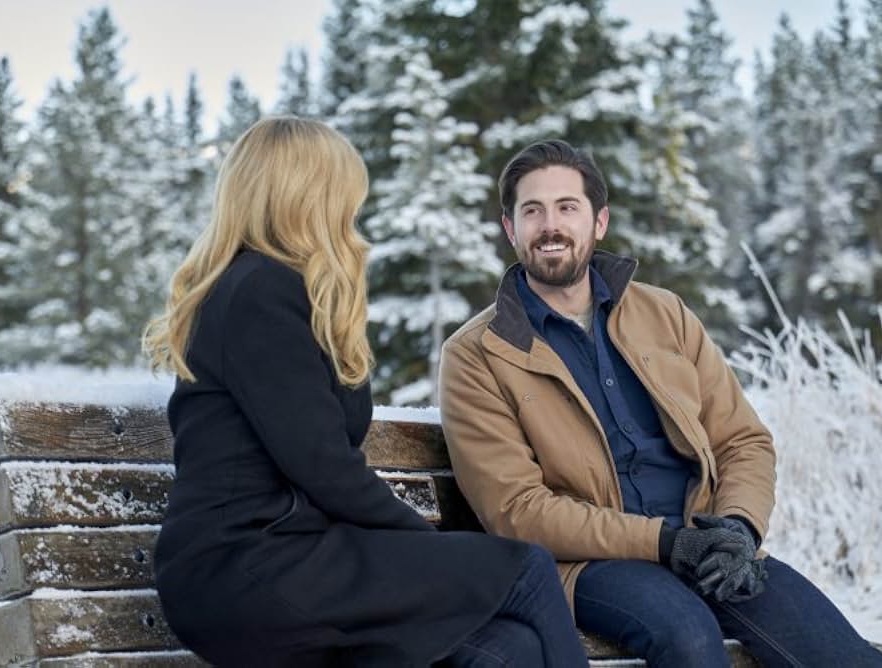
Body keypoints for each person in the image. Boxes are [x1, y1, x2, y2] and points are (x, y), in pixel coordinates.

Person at [141, 118, 587, 667]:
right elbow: (322, 465)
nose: (352, 215)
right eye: (345, 196)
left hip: (288, 559)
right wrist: (421, 543)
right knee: (526, 568)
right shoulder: (260, 292)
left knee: (502, 651)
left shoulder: (278, 292)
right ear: (309, 196)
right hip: (248, 565)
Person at [438, 139, 882, 667]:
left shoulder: (664, 314)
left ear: (599, 221)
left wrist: (740, 528)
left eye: (568, 207)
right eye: (532, 211)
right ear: (511, 229)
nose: (550, 226)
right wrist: (664, 543)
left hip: (706, 544)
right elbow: (518, 511)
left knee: (846, 656)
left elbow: (742, 439)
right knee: (689, 638)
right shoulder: (478, 355)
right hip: (592, 564)